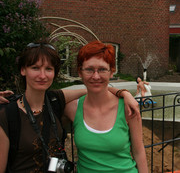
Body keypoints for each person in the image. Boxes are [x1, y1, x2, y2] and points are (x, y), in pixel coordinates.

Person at [0, 42, 140, 173]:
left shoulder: (55, 101)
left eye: (48, 69)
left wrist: (123, 93)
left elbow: (93, 88)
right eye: (35, 68)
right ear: (23, 70)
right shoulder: (7, 113)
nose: (42, 75)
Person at [64, 41, 148, 173]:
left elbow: (139, 151)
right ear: (80, 72)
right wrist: (122, 92)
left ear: (112, 72)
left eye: (102, 69)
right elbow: (52, 97)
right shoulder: (72, 108)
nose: (96, 76)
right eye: (89, 69)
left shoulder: (127, 108)